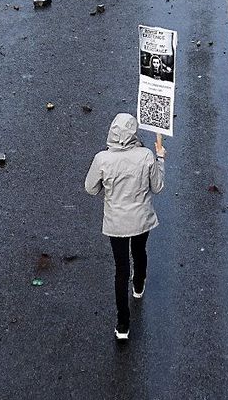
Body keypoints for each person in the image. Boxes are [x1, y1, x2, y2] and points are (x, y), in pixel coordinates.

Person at [84, 113, 166, 340]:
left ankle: (122, 325)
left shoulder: (102, 159)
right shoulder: (146, 155)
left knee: (121, 269)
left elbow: (91, 188)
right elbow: (157, 187)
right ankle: (138, 286)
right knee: (139, 252)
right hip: (141, 219)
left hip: (116, 223)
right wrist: (160, 158)